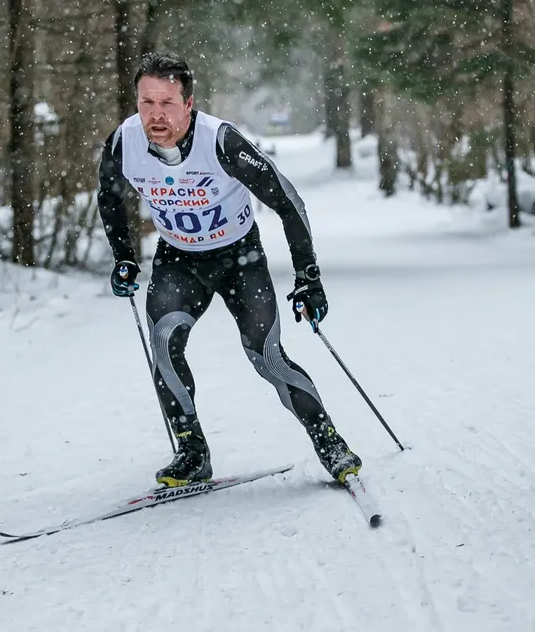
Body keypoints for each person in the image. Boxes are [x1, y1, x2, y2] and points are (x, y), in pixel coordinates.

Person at [96, 51, 362, 488]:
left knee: (267, 357)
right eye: (147, 102)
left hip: (239, 259)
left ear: (189, 102)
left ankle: (329, 441)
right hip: (179, 258)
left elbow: (288, 203)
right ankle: (192, 453)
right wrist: (124, 255)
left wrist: (308, 277)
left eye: (167, 103)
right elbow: (109, 196)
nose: (156, 114)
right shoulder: (124, 141)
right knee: (164, 343)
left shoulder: (221, 142)